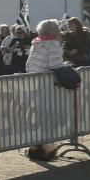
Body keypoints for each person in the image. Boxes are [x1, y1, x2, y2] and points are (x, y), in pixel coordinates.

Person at [26, 19, 67, 160]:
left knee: (38, 119)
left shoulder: (36, 43)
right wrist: (67, 66)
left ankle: (34, 148)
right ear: (54, 31)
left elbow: (29, 65)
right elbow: (56, 66)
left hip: (34, 85)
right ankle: (48, 149)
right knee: (50, 119)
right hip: (48, 88)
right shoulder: (53, 45)